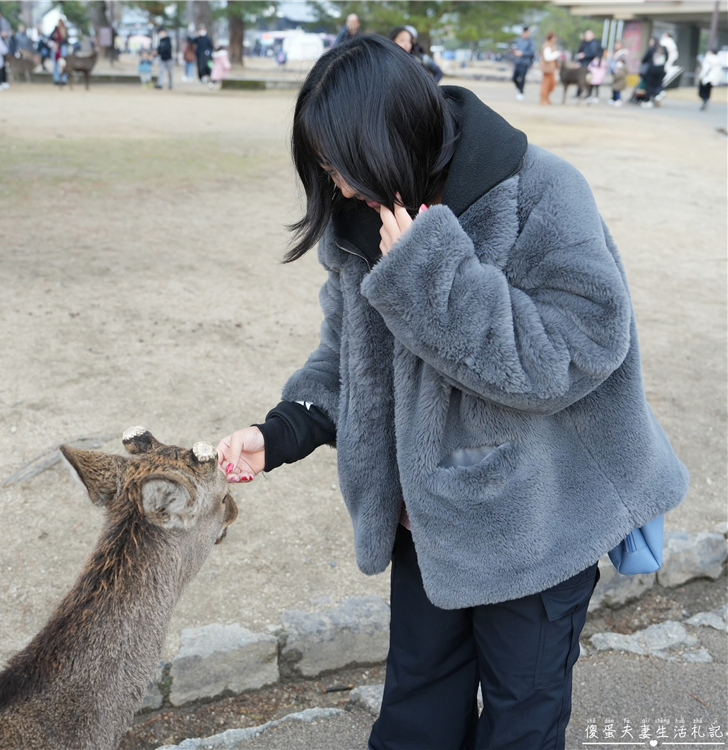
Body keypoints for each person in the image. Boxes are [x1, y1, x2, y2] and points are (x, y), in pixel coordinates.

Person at [216, 34, 687, 750]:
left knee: (520, 722)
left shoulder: (540, 190)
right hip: (427, 522)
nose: (335, 185)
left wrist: (430, 273)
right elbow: (350, 361)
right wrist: (280, 431)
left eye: (339, 164)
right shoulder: (364, 216)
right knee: (416, 717)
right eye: (322, 167)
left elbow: (571, 355)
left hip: (537, 525)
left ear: (387, 138)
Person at [640, 36, 667, 107]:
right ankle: (659, 93)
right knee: (658, 84)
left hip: (651, 70)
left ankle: (648, 101)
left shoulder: (652, 49)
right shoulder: (664, 49)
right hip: (661, 70)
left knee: (649, 86)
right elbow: (666, 59)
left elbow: (644, 59)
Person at [576, 29, 602, 101]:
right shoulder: (585, 43)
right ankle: (580, 94)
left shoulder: (594, 43)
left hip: (590, 65)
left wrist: (585, 55)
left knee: (591, 81)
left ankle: (590, 95)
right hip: (584, 64)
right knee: (582, 80)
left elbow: (594, 53)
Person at [510, 26, 535, 101]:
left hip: (525, 63)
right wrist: (514, 52)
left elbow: (531, 52)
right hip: (517, 62)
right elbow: (514, 48)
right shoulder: (518, 40)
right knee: (514, 78)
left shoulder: (530, 42)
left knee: (522, 78)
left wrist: (522, 53)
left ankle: (521, 92)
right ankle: (519, 89)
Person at [539, 31, 560, 104]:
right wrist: (556, 54)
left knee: (552, 84)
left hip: (552, 68)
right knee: (545, 84)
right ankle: (543, 99)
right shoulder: (547, 45)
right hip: (547, 69)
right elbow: (547, 57)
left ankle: (547, 97)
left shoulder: (552, 45)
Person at [609, 41, 628, 106]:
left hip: (619, 73)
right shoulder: (616, 53)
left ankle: (618, 99)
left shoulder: (623, 53)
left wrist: (618, 68)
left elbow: (624, 63)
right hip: (615, 72)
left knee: (617, 88)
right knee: (614, 87)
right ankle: (614, 99)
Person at [49, 20, 68, 85]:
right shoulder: (55, 30)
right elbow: (50, 37)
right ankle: (56, 79)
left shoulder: (65, 30)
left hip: (62, 48)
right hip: (55, 48)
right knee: (55, 64)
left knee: (63, 64)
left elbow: (65, 40)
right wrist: (54, 39)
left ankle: (64, 79)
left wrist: (59, 44)